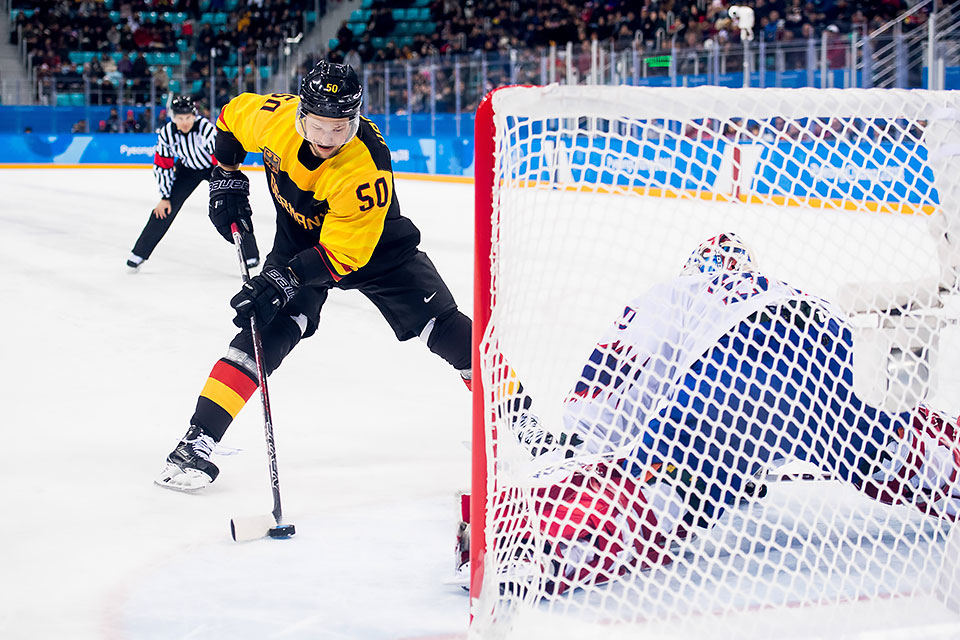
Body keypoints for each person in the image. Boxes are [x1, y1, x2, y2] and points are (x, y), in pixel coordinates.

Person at [457, 233, 960, 594]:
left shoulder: (680, 290)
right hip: (831, 360)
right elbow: (806, 382)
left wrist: (583, 446)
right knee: (905, 455)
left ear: (695, 264)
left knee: (652, 495)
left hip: (731, 374)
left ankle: (518, 538)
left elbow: (620, 370)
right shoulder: (782, 284)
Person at [154, 61, 473, 491]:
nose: (327, 139)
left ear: (355, 118)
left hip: (376, 249)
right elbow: (230, 118)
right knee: (265, 325)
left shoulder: (364, 169)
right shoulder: (274, 119)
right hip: (300, 241)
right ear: (302, 113)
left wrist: (282, 280)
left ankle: (520, 420)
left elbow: (342, 256)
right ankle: (197, 440)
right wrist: (225, 175)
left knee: (445, 330)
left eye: (340, 128)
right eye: (319, 126)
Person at [126, 95, 259, 272]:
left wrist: (224, 182)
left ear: (194, 115)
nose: (184, 122)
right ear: (173, 118)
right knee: (164, 209)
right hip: (187, 170)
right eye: (180, 118)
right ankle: (139, 253)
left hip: (212, 168)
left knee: (231, 204)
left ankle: (250, 254)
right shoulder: (167, 133)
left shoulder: (205, 129)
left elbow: (219, 155)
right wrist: (165, 197)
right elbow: (163, 165)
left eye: (188, 117)